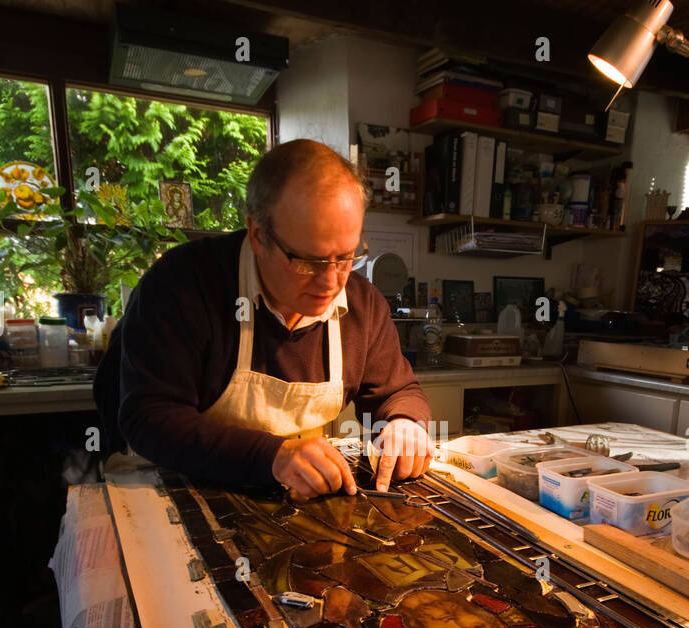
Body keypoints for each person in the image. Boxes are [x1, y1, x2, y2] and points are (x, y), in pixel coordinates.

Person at [94, 139, 434, 495]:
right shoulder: (182, 286)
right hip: (166, 485)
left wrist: (405, 423)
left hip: (282, 496)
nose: (332, 281)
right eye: (308, 261)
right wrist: (271, 456)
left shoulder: (363, 307)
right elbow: (149, 418)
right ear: (258, 235)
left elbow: (398, 390)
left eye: (347, 257)